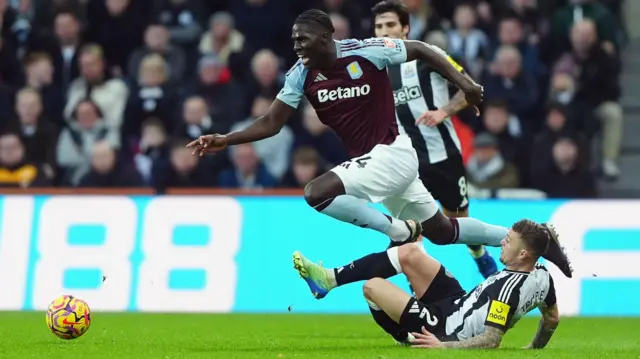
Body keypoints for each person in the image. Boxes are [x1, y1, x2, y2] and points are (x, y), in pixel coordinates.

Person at [187, 9, 572, 278]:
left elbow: (421, 48)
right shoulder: (299, 76)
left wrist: (465, 83)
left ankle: (397, 231)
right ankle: (534, 238)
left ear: (325, 36)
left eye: (302, 39)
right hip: (382, 165)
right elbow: (272, 121)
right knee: (441, 231)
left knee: (316, 192)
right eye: (293, 40)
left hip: (393, 152)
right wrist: (227, 138)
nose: (297, 46)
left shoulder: (364, 51)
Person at [292, 220, 569, 349]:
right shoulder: (542, 275)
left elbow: (491, 340)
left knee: (372, 288)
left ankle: (405, 337)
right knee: (411, 251)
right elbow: (552, 318)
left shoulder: (507, 293)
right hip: (456, 300)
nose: (502, 241)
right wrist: (534, 350)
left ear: (523, 254)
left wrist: (443, 347)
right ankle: (328, 279)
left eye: (508, 241)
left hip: (444, 327)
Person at [372, 0, 496, 278]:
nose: (384, 31)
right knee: (409, 229)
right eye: (379, 26)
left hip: (443, 156)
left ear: (405, 28)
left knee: (457, 220)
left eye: (390, 25)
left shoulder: (429, 55)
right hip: (404, 161)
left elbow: (470, 88)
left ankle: (478, 252)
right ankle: (424, 288)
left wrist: (444, 111)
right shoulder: (373, 69)